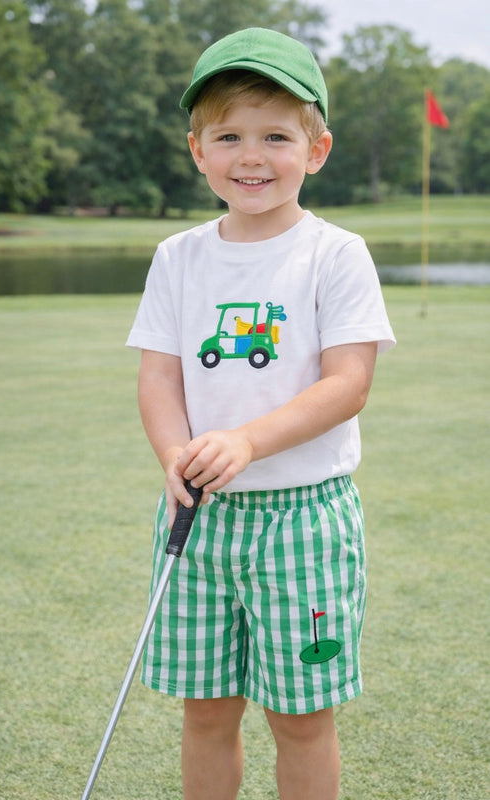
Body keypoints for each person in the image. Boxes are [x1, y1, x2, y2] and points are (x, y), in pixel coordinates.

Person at [126, 27, 396, 800]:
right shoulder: (178, 256)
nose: (251, 155)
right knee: (205, 711)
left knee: (300, 717)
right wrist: (175, 457)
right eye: (229, 135)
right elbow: (158, 378)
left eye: (275, 135)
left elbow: (346, 383)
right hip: (196, 519)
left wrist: (244, 440)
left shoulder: (334, 253)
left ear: (315, 149)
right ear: (197, 150)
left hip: (303, 522)